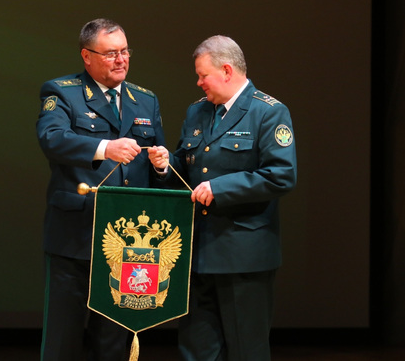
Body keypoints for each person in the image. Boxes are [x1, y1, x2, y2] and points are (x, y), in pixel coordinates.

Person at [148, 35, 297, 361]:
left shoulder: (268, 112)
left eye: (203, 75)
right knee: (196, 349)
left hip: (243, 255)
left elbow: (281, 175)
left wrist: (220, 188)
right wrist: (165, 165)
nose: (199, 82)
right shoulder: (197, 111)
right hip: (198, 253)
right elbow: (187, 168)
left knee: (247, 350)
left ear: (227, 70)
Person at [36, 18, 166, 361]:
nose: (121, 59)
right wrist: (105, 148)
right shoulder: (62, 92)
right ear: (87, 56)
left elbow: (158, 167)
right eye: (110, 53)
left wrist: (163, 165)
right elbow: (52, 139)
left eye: (125, 51)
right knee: (63, 339)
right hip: (76, 235)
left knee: (112, 342)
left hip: (128, 240)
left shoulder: (145, 100)